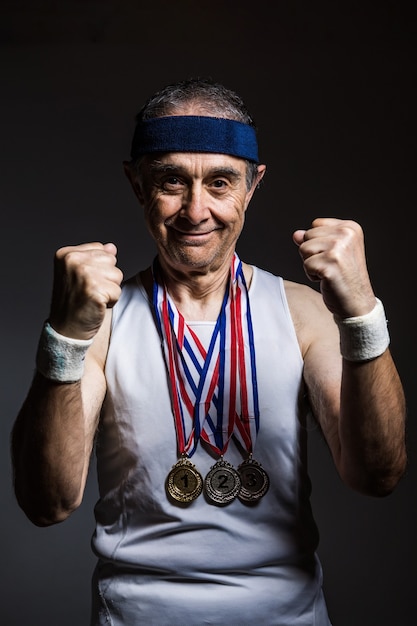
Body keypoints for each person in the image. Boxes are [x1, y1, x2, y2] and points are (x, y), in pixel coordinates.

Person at [11, 77, 407, 626]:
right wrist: (64, 338)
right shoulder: (99, 323)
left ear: (252, 185)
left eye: (220, 183)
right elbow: (46, 503)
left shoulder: (304, 313)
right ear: (137, 183)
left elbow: (378, 474)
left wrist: (363, 312)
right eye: (171, 181)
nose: (196, 211)